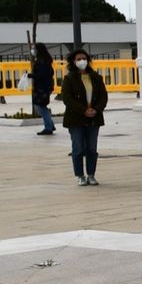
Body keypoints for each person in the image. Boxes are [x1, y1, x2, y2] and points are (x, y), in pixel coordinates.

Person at [60, 48, 107, 186]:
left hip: (94, 118)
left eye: (84, 59)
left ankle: (91, 174)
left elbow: (103, 96)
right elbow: (67, 98)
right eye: (79, 59)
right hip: (76, 119)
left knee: (92, 148)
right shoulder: (69, 78)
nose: (82, 61)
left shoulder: (96, 77)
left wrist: (96, 109)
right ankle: (80, 175)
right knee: (78, 147)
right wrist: (83, 110)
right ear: (73, 62)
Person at [30, 42, 56, 135]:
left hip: (43, 87)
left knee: (41, 106)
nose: (32, 50)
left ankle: (48, 127)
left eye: (34, 49)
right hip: (44, 86)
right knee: (41, 106)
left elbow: (42, 74)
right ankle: (50, 125)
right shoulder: (43, 60)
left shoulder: (43, 61)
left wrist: (32, 75)